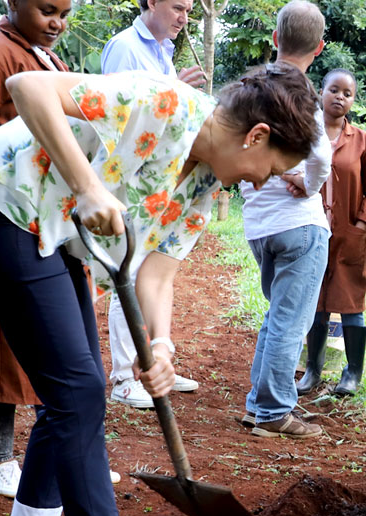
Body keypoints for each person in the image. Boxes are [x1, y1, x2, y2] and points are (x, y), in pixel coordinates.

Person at [0, 62, 319, 516]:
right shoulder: (165, 104)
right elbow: (27, 88)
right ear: (257, 136)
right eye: (270, 171)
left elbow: (157, 276)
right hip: (6, 204)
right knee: (79, 392)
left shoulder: (205, 182)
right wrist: (88, 186)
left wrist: (160, 346)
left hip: (55, 234)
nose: (264, 183)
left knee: (79, 388)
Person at [100, 0, 206, 409]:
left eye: (189, 9)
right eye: (177, 7)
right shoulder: (126, 47)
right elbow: (115, 115)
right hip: (130, 181)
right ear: (150, 2)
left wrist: (176, 88)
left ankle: (152, 361)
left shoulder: (162, 51)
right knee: (126, 270)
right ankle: (126, 375)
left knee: (154, 272)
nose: (184, 16)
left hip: (161, 179)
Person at [0, 0, 71, 498]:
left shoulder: (43, 56)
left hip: (45, 220)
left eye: (64, 13)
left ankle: (59, 456)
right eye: (46, 9)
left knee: (41, 346)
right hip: (5, 217)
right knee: (0, 346)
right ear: (12, 2)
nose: (57, 23)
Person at [239, 1, 330, 439]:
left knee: (278, 314)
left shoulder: (250, 88)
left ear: (275, 39)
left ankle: (259, 405)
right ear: (320, 46)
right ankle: (275, 411)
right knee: (291, 320)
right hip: (298, 223)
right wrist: (308, 187)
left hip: (259, 223)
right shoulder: (301, 93)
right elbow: (322, 158)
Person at [295, 68, 366, 397]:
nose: (340, 97)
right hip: (310, 231)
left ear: (353, 101)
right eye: (334, 90)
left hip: (350, 237)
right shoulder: (305, 132)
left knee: (350, 304)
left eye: (347, 93)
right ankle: (313, 370)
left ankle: (352, 374)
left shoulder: (361, 141)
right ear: (322, 92)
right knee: (316, 303)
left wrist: (360, 225)